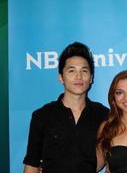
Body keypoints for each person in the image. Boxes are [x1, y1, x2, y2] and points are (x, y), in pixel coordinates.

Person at [23, 42, 109, 173]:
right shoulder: (42, 115)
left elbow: (107, 158)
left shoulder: (103, 114)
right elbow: (31, 165)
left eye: (84, 71)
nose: (78, 76)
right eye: (71, 70)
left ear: (91, 78)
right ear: (61, 78)